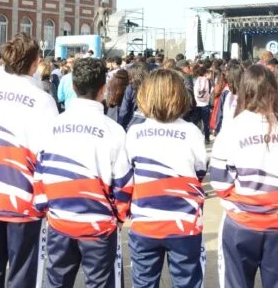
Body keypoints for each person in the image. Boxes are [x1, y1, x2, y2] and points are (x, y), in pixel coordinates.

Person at [0, 34, 59, 288]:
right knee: (23, 275)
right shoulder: (43, 102)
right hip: (24, 198)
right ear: (35, 63)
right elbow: (49, 155)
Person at [34, 58, 127, 288]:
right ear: (103, 89)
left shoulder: (51, 126)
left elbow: (40, 172)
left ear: (73, 87)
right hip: (99, 225)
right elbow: (123, 185)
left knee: (56, 282)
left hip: (60, 220)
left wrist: (45, 208)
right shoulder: (114, 131)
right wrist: (119, 217)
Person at [211, 65, 278, 288]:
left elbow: (219, 182)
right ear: (273, 91)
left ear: (245, 90)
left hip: (241, 223)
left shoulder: (232, 128)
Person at [117, 69, 207, 288]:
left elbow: (125, 177)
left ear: (145, 95)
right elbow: (200, 172)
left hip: (145, 222)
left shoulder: (134, 133)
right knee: (187, 282)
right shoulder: (192, 132)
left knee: (144, 283)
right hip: (184, 222)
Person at [118, 62, 149, 130]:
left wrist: (120, 126)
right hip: (148, 126)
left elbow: (124, 110)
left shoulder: (131, 88)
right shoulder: (152, 87)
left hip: (131, 125)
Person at [193, 64, 212, 143]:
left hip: (197, 104)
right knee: (206, 123)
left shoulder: (196, 80)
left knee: (195, 122)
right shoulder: (206, 80)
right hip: (205, 104)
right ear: (205, 73)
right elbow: (206, 91)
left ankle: (194, 137)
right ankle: (207, 138)